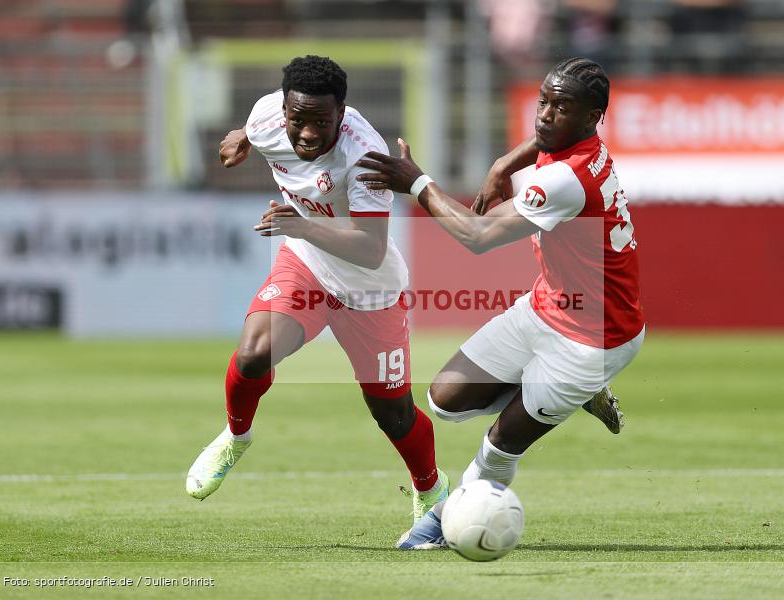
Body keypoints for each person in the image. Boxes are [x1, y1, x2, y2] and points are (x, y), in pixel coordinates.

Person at [356, 57, 645, 548]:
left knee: (500, 445)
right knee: (443, 400)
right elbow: (542, 139)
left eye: (562, 107)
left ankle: (444, 527)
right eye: (544, 101)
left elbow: (479, 234)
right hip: (547, 305)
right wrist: (501, 164)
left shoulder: (566, 180)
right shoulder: (575, 144)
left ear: (593, 117)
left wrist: (418, 184)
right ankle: (572, 396)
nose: (545, 116)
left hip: (594, 339)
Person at [185, 55, 449, 526]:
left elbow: (369, 250)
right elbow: (259, 125)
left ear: (342, 114)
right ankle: (235, 436)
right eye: (297, 119)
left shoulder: (366, 157)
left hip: (371, 289)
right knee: (253, 353)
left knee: (393, 414)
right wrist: (242, 137)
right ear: (284, 110)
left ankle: (431, 488)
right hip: (308, 268)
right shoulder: (269, 115)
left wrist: (302, 226)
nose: (306, 133)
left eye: (320, 123)